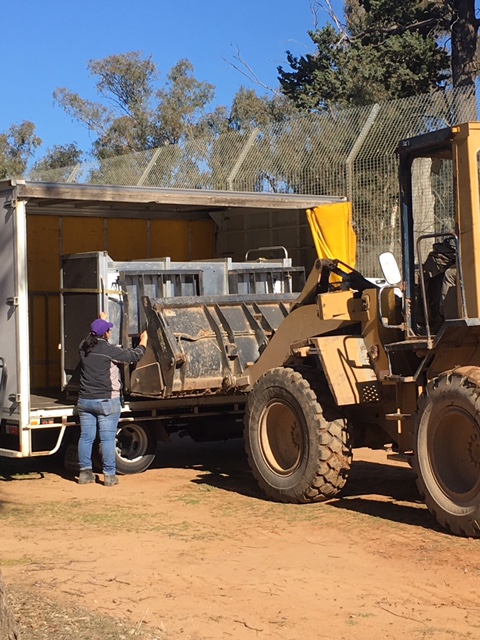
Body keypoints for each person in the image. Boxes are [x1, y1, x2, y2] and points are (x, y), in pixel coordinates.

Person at [77, 316, 148, 486]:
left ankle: (85, 473)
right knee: (107, 439)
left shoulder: (83, 347)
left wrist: (100, 321)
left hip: (85, 400)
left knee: (86, 437)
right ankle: (109, 475)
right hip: (107, 401)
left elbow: (92, 336)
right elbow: (134, 356)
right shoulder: (109, 350)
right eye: (108, 330)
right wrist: (143, 341)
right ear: (106, 334)